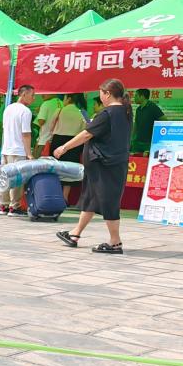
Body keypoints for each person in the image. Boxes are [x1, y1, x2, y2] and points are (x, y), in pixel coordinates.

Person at [55, 79, 132, 254]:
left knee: (108, 201)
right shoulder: (125, 111)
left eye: (101, 94)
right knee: (91, 198)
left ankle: (115, 242)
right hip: (108, 164)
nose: (100, 97)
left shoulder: (108, 113)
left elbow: (86, 134)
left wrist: (64, 147)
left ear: (107, 94)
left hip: (105, 164)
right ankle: (75, 234)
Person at [0, 85, 35, 215]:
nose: (33, 98)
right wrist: (29, 154)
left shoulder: (8, 108)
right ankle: (15, 207)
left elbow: (4, 129)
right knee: (17, 180)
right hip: (18, 150)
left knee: (5, 178)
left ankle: (3, 206)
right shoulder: (26, 111)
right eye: (32, 95)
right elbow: (26, 134)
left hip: (6, 150)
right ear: (24, 94)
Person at [51, 94, 88, 204]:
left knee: (56, 168)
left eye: (65, 98)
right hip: (74, 142)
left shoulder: (59, 110)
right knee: (70, 170)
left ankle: (55, 196)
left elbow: (51, 126)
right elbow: (86, 129)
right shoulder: (82, 112)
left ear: (69, 99)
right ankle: (64, 197)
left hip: (58, 141)